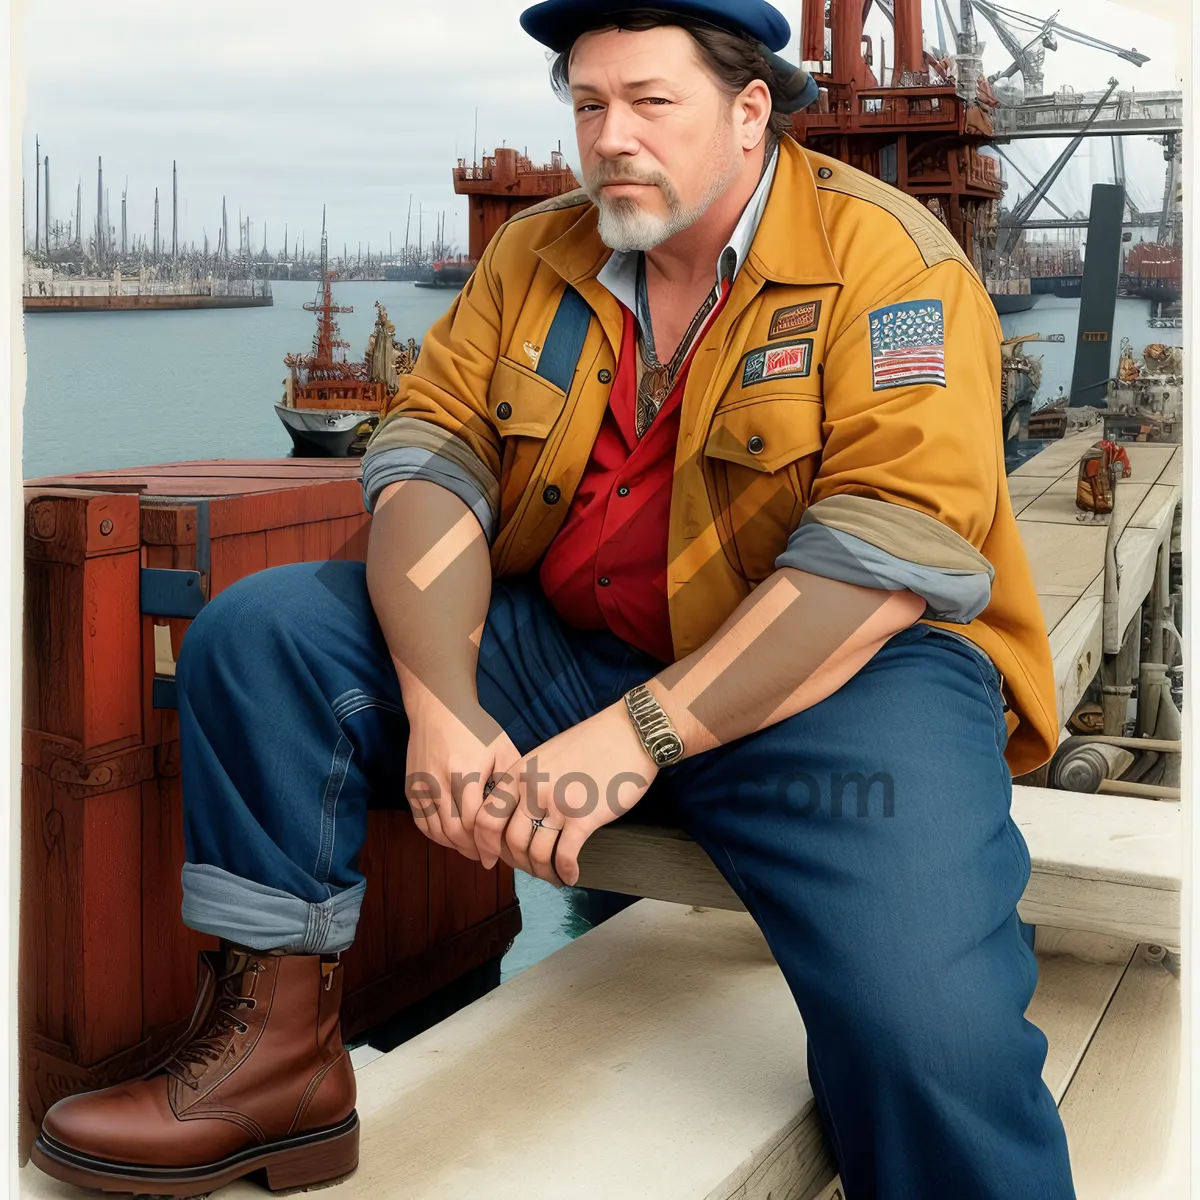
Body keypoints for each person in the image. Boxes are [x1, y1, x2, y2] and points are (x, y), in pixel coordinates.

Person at [32, 2, 1076, 1197]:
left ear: (749, 112)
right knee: (265, 639)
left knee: (936, 1035)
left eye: (650, 103)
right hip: (577, 647)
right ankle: (278, 1064)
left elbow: (884, 553)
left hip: (842, 684)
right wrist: (439, 699)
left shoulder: (891, 265)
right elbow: (429, 458)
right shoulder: (536, 253)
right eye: (589, 104)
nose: (610, 138)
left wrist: (635, 741)